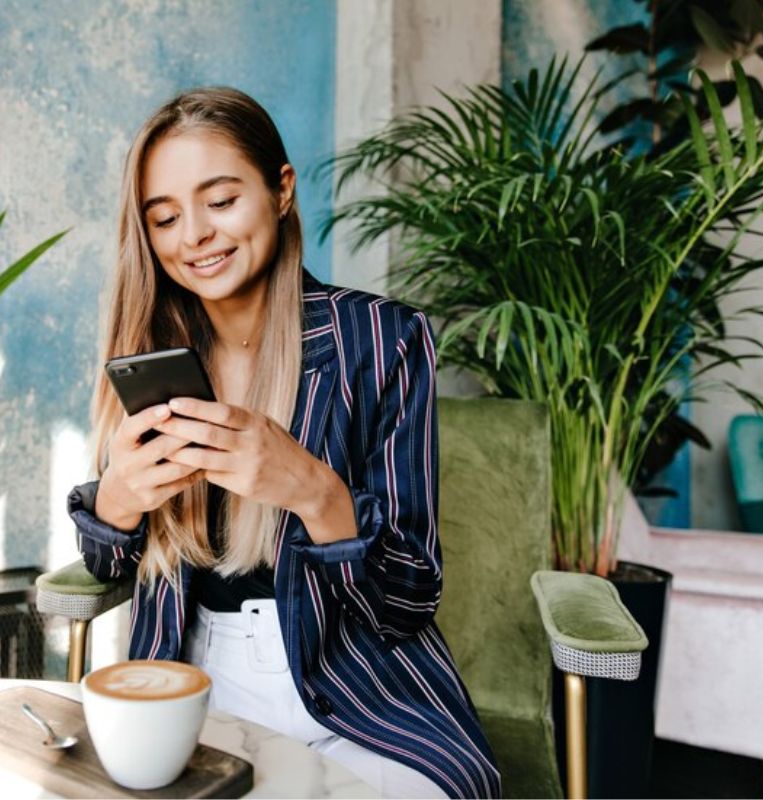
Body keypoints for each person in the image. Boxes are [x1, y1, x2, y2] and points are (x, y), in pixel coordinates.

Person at [67, 87, 500, 799]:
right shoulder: (150, 350)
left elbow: (409, 598)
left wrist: (312, 490)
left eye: (222, 200)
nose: (194, 235)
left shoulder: (383, 340)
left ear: (282, 190)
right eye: (165, 217)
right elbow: (111, 564)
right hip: (194, 681)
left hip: (363, 691)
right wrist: (115, 501)